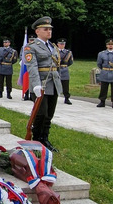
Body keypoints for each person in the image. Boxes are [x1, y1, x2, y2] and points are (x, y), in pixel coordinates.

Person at [22, 16, 62, 152]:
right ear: (38, 31)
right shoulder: (31, 47)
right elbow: (32, 67)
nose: (49, 32)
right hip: (41, 84)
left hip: (53, 83)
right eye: (46, 29)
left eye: (50, 29)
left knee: (49, 114)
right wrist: (36, 85)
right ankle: (37, 139)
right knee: (41, 113)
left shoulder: (53, 46)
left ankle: (45, 139)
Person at [95, 39, 113, 109]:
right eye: (109, 44)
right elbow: (99, 64)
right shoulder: (101, 54)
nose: (110, 46)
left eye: (112, 44)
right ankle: (102, 101)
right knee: (103, 88)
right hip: (105, 72)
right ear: (106, 45)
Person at [54, 38, 74, 104]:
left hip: (64, 70)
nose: (62, 45)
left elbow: (70, 62)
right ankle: (54, 97)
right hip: (56, 69)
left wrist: (65, 66)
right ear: (57, 44)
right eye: (60, 44)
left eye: (63, 44)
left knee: (65, 85)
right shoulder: (54, 52)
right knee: (55, 84)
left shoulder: (68, 52)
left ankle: (67, 98)